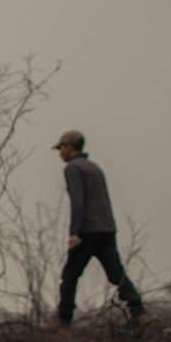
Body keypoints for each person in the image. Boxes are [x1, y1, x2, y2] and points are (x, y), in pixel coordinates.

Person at [53, 129, 145, 327]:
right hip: (106, 228)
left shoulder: (73, 168)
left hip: (87, 231)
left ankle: (63, 320)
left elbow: (78, 202)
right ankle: (138, 310)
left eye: (61, 148)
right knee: (115, 272)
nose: (60, 152)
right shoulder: (95, 168)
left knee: (70, 276)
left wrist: (74, 233)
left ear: (70, 147)